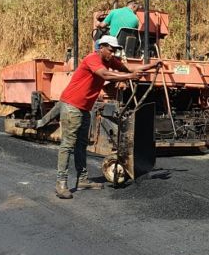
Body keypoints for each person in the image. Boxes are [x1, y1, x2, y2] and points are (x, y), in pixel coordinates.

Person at [54, 34, 159, 199]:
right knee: (67, 145)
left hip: (84, 108)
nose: (113, 53)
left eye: (115, 51)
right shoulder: (92, 59)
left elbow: (129, 68)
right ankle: (61, 183)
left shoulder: (110, 60)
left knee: (81, 144)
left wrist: (152, 65)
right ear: (101, 47)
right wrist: (129, 77)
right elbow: (105, 75)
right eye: (110, 50)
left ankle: (82, 179)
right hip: (71, 105)